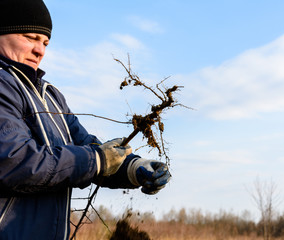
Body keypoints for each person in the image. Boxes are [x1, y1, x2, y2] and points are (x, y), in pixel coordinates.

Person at [0, 0, 171, 239]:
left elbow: (86, 146)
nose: (40, 51)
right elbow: (15, 162)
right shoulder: (2, 86)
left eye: (45, 42)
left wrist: (132, 167)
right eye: (29, 37)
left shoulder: (51, 96)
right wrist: (97, 160)